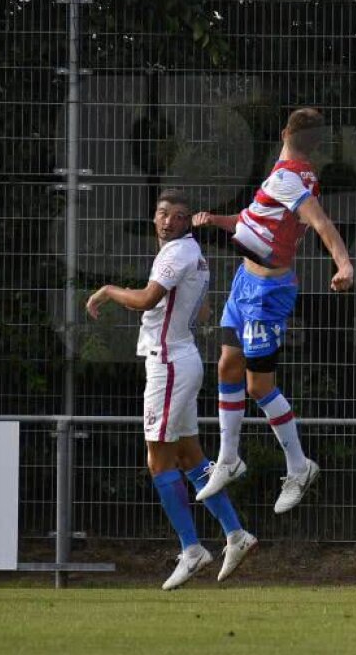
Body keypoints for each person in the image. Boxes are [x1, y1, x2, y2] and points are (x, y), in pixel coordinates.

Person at [86, 189, 257, 590]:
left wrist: (108, 290)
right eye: (163, 214)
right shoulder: (190, 253)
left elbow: (147, 300)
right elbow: (200, 308)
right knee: (188, 456)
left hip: (168, 364)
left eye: (179, 216)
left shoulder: (178, 253)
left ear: (187, 222)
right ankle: (235, 534)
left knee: (159, 461)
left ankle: (192, 548)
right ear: (154, 217)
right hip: (180, 359)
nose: (168, 221)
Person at [193, 108, 354, 514]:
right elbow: (254, 222)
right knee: (227, 366)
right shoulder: (289, 175)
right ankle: (229, 458)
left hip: (267, 292)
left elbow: (321, 223)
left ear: (285, 131)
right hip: (244, 284)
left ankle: (299, 467)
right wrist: (217, 220)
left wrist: (344, 263)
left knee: (259, 387)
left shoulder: (288, 179)